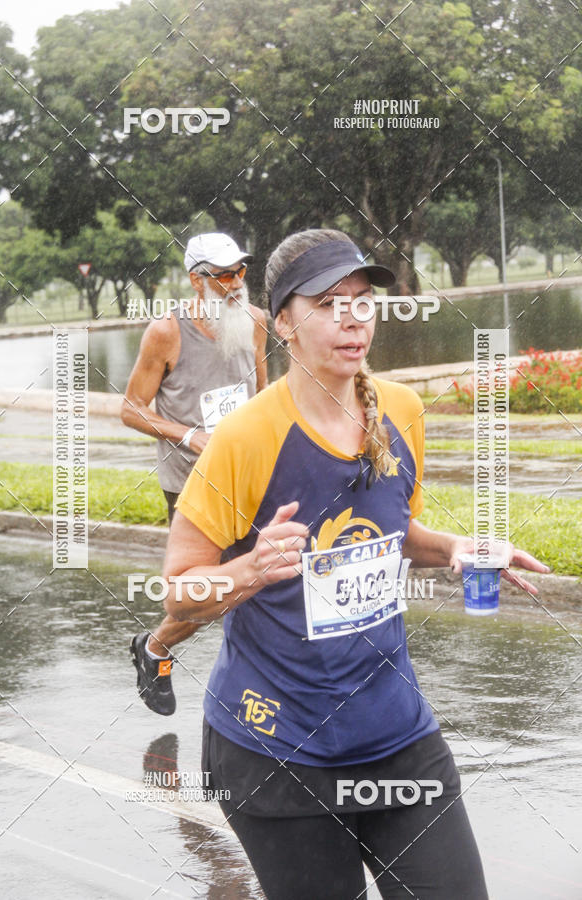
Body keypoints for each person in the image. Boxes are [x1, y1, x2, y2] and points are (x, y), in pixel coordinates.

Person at [160, 228, 549, 898]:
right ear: (284, 321)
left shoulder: (401, 410)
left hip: (393, 732)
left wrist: (453, 548)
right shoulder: (247, 438)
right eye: (327, 302)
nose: (351, 318)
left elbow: (387, 535)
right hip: (276, 748)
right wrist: (251, 568)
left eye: (362, 300)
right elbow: (179, 592)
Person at [121, 232, 268, 715]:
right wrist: (190, 436)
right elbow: (132, 409)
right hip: (191, 485)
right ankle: (156, 647)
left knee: (267, 581)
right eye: (223, 275)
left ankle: (267, 692)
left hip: (251, 480)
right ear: (196, 280)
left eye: (240, 272)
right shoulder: (166, 332)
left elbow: (265, 399)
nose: (235, 283)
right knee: (212, 593)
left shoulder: (255, 322)